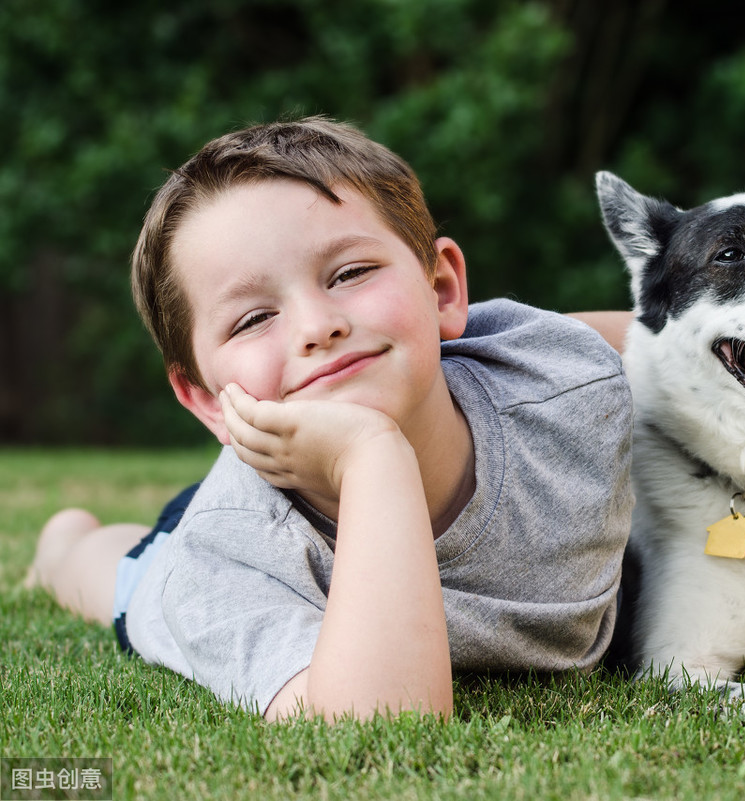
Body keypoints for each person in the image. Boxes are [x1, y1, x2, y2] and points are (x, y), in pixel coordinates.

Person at [24, 116, 634, 722]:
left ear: (442, 290)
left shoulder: (559, 377)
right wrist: (371, 456)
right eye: (253, 319)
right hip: (241, 520)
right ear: (207, 399)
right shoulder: (220, 566)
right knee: (124, 576)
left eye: (350, 274)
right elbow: (382, 728)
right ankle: (62, 546)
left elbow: (673, 342)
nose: (319, 327)